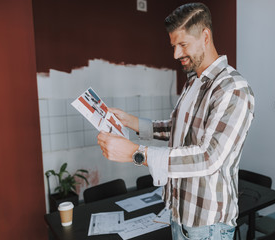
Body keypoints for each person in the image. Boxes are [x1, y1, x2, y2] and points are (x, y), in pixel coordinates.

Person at [97, 2, 254, 239]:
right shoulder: (193, 82)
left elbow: (208, 158)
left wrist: (136, 153)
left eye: (182, 45)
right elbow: (178, 129)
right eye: (173, 46)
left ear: (205, 36)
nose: (176, 54)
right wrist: (133, 122)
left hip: (208, 226)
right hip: (178, 214)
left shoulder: (233, 88)